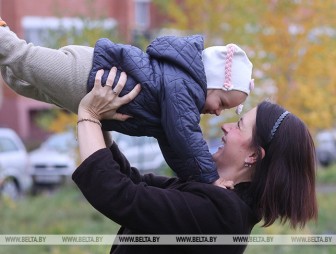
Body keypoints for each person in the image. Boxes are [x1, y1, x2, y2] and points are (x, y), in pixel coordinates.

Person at [72, 68, 318, 254]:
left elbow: (119, 196)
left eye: (239, 126)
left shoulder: (222, 217)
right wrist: (101, 120)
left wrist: (89, 115)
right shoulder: (218, 193)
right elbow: (135, 184)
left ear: (254, 155)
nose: (225, 126)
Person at [0, 18, 254, 184]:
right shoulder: (182, 86)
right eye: (221, 101)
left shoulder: (176, 101)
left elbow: (177, 149)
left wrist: (195, 180)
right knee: (22, 56)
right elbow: (185, 135)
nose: (219, 112)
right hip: (88, 74)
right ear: (209, 80)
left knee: (20, 81)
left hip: (85, 87)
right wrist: (211, 179)